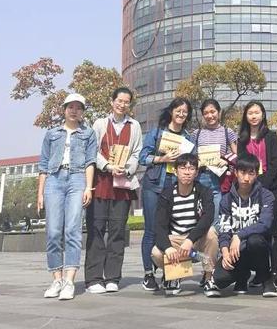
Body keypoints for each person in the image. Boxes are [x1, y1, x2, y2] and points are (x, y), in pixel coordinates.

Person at [36, 93, 97, 301]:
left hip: (77, 179)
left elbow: (90, 162)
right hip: (54, 180)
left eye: (78, 108)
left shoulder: (88, 133)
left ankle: (69, 280)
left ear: (82, 112)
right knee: (53, 232)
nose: (74, 111)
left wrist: (88, 187)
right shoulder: (51, 133)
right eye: (70, 107)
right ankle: (57, 279)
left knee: (72, 230)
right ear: (64, 109)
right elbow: (43, 165)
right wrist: (40, 193)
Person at [85, 87, 143, 294]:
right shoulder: (100, 124)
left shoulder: (134, 126)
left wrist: (127, 169)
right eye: (119, 100)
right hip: (101, 183)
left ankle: (112, 277)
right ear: (112, 101)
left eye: (126, 102)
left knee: (118, 232)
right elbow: (92, 150)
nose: (122, 104)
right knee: (96, 230)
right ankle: (93, 279)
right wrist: (108, 166)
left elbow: (137, 152)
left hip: (122, 186)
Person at [138, 97, 195, 292]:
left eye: (185, 112)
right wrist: (162, 158)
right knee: (151, 230)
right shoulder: (156, 133)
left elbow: (192, 162)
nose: (181, 114)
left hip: (176, 188)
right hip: (154, 186)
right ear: (171, 111)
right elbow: (142, 158)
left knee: (173, 232)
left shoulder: (188, 138)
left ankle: (170, 273)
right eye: (178, 110)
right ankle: (148, 274)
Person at [152, 153, 220, 297]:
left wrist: (190, 240)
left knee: (212, 233)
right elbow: (159, 226)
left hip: (196, 241)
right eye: (183, 168)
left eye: (191, 168)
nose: (187, 172)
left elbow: (207, 218)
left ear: (196, 172)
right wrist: (168, 248)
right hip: (176, 240)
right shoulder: (166, 194)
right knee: (156, 252)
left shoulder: (204, 192)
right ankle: (175, 275)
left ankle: (209, 278)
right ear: (175, 171)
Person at [213, 153, 277, 297]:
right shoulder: (226, 200)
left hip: (257, 248)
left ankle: (266, 279)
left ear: (257, 174)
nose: (246, 178)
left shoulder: (266, 195)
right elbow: (224, 229)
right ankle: (242, 276)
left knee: (255, 240)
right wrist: (225, 251)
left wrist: (238, 235)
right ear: (235, 172)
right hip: (236, 251)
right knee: (219, 279)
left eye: (251, 173)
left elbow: (265, 224)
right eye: (242, 172)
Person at [237, 101, 277, 287]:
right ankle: (260, 272)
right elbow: (241, 164)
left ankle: (274, 273)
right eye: (250, 113)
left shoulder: (271, 136)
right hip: (249, 190)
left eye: (257, 112)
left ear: (263, 114)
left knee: (273, 231)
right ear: (246, 116)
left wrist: (262, 183)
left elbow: (276, 163)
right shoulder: (242, 140)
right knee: (254, 230)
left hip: (271, 188)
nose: (254, 116)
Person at [194, 98, 238, 225]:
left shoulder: (227, 132)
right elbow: (190, 156)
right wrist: (197, 162)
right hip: (201, 177)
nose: (210, 116)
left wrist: (227, 161)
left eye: (212, 111)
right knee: (199, 216)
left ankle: (215, 237)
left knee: (217, 217)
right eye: (206, 113)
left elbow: (237, 155)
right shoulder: (197, 133)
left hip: (219, 178)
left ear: (219, 112)